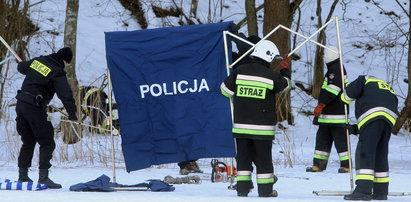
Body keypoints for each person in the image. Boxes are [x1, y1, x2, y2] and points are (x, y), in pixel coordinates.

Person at [220, 40, 292, 197]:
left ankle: (242, 190)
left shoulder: (239, 71)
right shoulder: (271, 76)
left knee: (243, 160)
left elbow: (224, 91)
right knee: (263, 160)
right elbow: (285, 86)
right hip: (262, 129)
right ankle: (266, 191)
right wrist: (285, 71)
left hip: (241, 127)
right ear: (269, 57)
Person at [15, 47, 78, 189]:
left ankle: (22, 176)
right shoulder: (57, 71)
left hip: (21, 104)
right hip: (34, 107)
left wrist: (24, 64)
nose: (66, 66)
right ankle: (43, 178)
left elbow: (21, 67)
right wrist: (73, 114)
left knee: (28, 141)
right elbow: (66, 95)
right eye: (67, 63)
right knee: (47, 142)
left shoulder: (39, 61)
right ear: (65, 61)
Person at [341, 75, 398, 201]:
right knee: (380, 153)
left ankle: (363, 190)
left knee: (366, 151)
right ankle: (381, 192)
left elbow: (347, 96)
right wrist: (355, 129)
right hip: (389, 118)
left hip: (373, 114)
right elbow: (375, 122)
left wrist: (343, 97)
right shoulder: (382, 86)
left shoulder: (363, 79)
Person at [306, 46, 350, 173]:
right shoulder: (333, 68)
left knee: (341, 141)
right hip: (327, 114)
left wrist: (321, 104)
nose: (324, 56)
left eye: (326, 54)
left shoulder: (336, 70)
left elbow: (333, 89)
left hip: (336, 114)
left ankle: (347, 165)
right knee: (322, 139)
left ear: (332, 55)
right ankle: (318, 164)